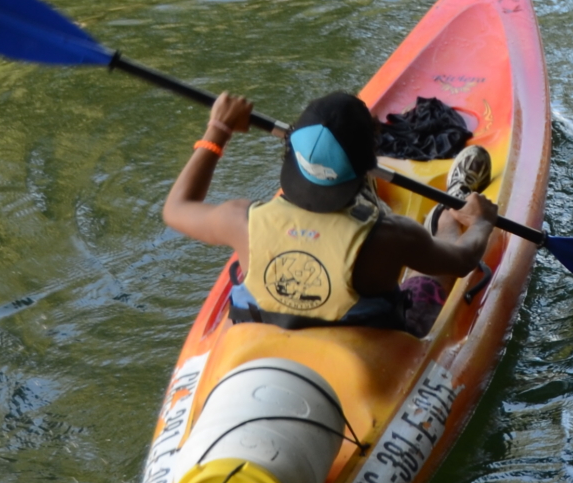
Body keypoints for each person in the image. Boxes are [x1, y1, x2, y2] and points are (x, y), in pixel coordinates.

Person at [163, 89, 498, 336]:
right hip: (365, 356)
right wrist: (482, 222)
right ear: (369, 164)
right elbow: (463, 260)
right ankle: (450, 210)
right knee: (433, 264)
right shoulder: (392, 234)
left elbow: (177, 208)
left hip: (266, 347)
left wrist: (217, 130)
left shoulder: (241, 220)